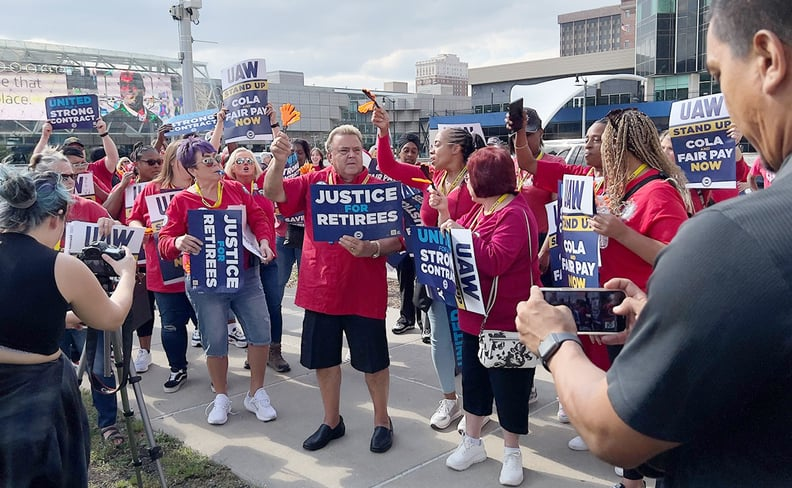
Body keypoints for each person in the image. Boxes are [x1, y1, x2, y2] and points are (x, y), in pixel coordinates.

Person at [516, 1, 792, 485]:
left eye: (718, 72)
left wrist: (555, 341)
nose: (725, 104)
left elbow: (614, 430)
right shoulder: (606, 185)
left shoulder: (729, 231)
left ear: (767, 60)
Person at [264, 126, 402, 453]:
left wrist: (372, 248)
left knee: (374, 364)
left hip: (364, 293)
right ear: (330, 155)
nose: (352, 155)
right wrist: (278, 160)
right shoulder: (314, 182)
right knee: (325, 362)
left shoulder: (379, 187)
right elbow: (273, 193)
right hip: (321, 289)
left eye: (356, 149)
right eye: (344, 150)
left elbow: (399, 238)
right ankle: (331, 421)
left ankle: (382, 421)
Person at [0, 168, 135, 487]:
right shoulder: (61, 265)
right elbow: (111, 317)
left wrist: (59, 318)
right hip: (37, 393)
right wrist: (127, 272)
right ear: (56, 217)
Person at [372, 106, 482, 431]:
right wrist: (383, 131)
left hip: (465, 272)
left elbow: (483, 224)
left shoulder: (477, 180)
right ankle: (450, 400)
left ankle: (476, 406)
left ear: (456, 149)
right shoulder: (430, 176)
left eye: (437, 144)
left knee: (469, 338)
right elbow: (389, 166)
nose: (431, 149)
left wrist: (449, 213)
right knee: (439, 338)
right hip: (433, 270)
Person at [436, 147, 540, 487]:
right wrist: (445, 217)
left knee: (510, 388)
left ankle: (512, 452)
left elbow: (495, 259)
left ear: (483, 180)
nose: (465, 183)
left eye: (469, 176)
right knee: (476, 383)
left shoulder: (515, 213)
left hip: (506, 320)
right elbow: (456, 235)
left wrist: (461, 235)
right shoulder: (484, 210)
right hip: (474, 315)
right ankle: (473, 442)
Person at [158, 136, 276, 425]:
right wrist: (179, 241)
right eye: (206, 160)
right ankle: (221, 396)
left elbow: (260, 218)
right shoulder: (182, 201)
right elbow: (164, 240)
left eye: (215, 157)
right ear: (192, 170)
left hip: (246, 275)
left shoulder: (235, 189)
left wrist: (263, 241)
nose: (215, 163)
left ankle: (256, 392)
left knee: (261, 333)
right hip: (205, 279)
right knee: (216, 340)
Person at [128, 141, 199, 393]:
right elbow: (134, 217)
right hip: (164, 269)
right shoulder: (151, 189)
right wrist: (140, 230)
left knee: (208, 323)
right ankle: (177, 367)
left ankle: (217, 369)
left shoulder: (205, 186)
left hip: (201, 269)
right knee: (170, 324)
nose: (192, 163)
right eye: (186, 158)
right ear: (172, 160)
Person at [224, 147, 290, 372]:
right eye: (239, 160)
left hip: (267, 257)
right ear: (231, 166)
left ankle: (274, 350)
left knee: (273, 304)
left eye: (249, 160)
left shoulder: (264, 187)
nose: (245, 164)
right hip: (241, 260)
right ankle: (255, 350)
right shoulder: (224, 190)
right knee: (248, 309)